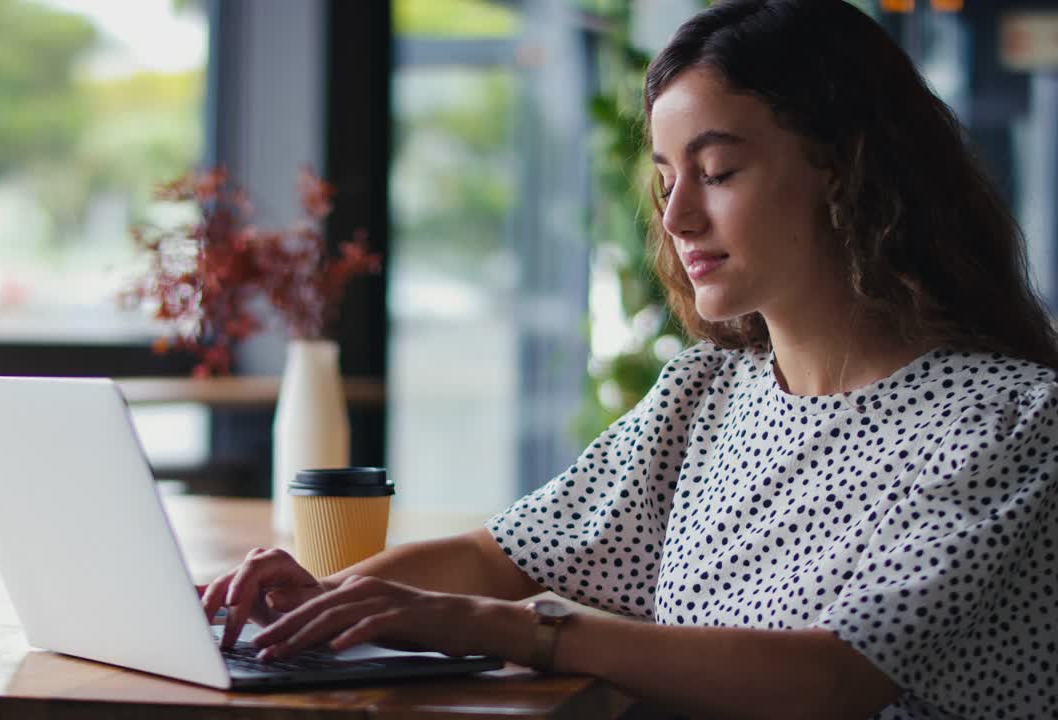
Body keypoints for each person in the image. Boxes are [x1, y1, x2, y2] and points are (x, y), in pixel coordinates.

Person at [200, 2, 1058, 718]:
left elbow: (832, 679)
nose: (678, 217)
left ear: (846, 172)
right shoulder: (708, 392)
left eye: (717, 171)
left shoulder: (1014, 419)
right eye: (664, 179)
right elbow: (502, 554)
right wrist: (331, 598)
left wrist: (501, 627)